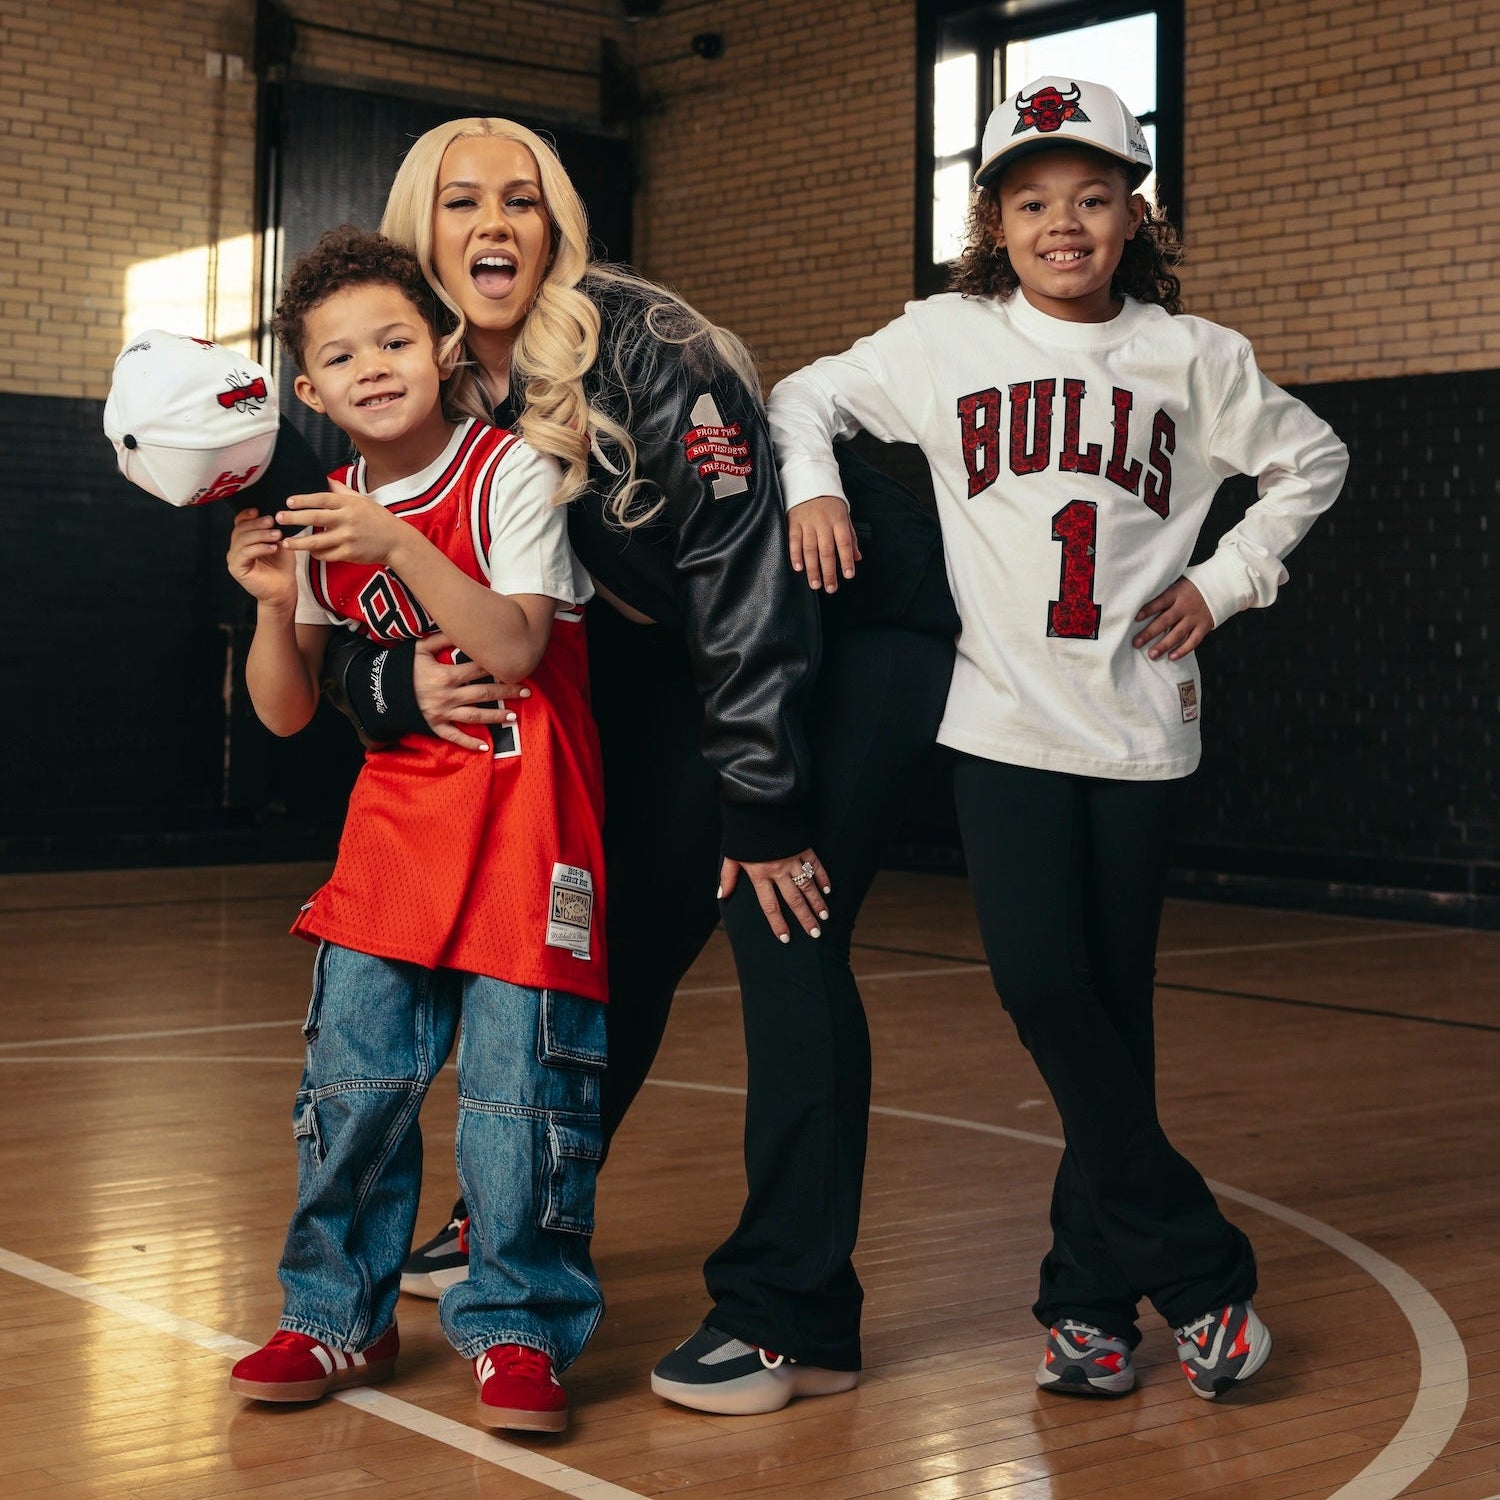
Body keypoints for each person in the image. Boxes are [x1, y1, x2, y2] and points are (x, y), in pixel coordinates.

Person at [285, 119, 958, 1414]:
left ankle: (796, 1313)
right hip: (693, 654)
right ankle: (515, 1217)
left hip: (847, 625)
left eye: (523, 199)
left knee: (783, 921)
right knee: (620, 928)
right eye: (463, 202)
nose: (495, 224)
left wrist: (763, 804)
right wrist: (387, 685)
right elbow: (381, 603)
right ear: (422, 231)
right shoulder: (417, 373)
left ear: (558, 226)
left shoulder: (653, 345)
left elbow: (748, 578)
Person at [766, 76, 1348, 1401]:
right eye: (1032, 203)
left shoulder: (1196, 357)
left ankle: (1085, 1306)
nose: (1063, 225)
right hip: (1003, 723)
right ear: (996, 223)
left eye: (1092, 198)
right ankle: (1200, 1269)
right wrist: (812, 492)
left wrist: (1226, 581)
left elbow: (1312, 461)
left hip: (1140, 726)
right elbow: (802, 398)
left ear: (1137, 216)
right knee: (1041, 988)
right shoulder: (944, 338)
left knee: (1111, 1021)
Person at [224, 225, 606, 1433]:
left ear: (443, 348)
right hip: (397, 827)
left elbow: (516, 647)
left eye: (393, 340)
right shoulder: (318, 518)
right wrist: (274, 607)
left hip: (529, 823)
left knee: (519, 1098)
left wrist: (396, 545)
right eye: (341, 356)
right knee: (354, 1085)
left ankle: (519, 1329)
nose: (372, 367)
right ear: (310, 391)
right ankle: (336, 1314)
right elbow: (286, 714)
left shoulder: (511, 473)